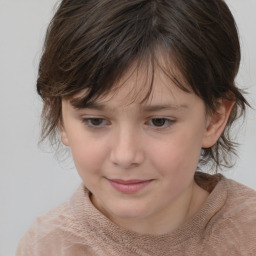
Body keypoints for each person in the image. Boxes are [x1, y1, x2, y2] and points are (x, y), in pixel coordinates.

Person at [16, 0, 256, 255]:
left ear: (214, 119)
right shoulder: (46, 247)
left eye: (158, 121)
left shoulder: (248, 233)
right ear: (61, 118)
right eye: (95, 121)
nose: (125, 155)